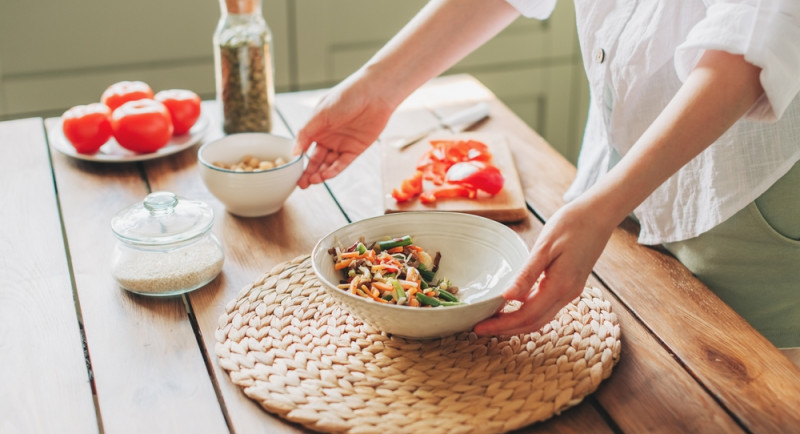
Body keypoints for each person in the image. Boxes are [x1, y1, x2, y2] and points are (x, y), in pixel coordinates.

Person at [292, 0, 800, 363]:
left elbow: (759, 32)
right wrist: (377, 89)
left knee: (752, 395)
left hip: (740, 196)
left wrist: (603, 206)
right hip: (612, 169)